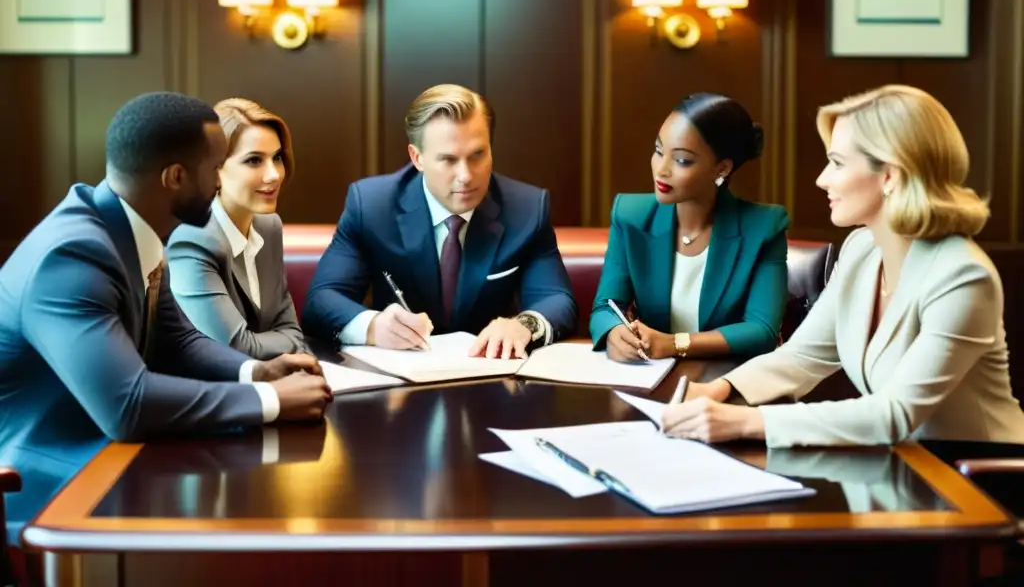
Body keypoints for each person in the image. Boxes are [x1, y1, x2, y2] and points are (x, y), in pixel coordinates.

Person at [0, 92, 333, 540]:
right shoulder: (71, 258)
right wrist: (270, 403)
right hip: (52, 480)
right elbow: (128, 405)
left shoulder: (137, 228)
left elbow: (176, 342)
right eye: (216, 167)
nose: (223, 181)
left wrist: (258, 371)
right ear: (175, 177)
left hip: (119, 455)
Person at [661, 85, 1024, 446]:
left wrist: (744, 421)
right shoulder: (861, 249)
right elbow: (805, 355)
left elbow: (894, 413)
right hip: (906, 466)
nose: (822, 179)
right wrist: (718, 390)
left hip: (980, 477)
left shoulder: (962, 275)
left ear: (890, 175)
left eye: (837, 163)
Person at [303, 84, 577, 358]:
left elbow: (557, 299)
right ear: (417, 157)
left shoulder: (527, 209)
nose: (466, 176)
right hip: (399, 382)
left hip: (491, 376)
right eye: (448, 160)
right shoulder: (372, 206)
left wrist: (523, 325)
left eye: (477, 155)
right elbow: (322, 300)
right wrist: (373, 327)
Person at [590, 93, 789, 362]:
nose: (662, 169)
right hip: (648, 375)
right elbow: (606, 306)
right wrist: (614, 332)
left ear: (722, 168)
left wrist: (676, 344)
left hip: (726, 378)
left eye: (682, 160)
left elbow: (761, 330)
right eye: (659, 151)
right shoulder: (630, 215)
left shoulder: (764, 226)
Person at [168, 98, 310, 360]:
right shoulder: (191, 238)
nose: (274, 174)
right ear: (214, 171)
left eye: (276, 158)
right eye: (254, 160)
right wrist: (283, 342)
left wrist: (275, 341)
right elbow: (234, 348)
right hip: (206, 393)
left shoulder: (269, 227)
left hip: (267, 384)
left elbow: (292, 330)